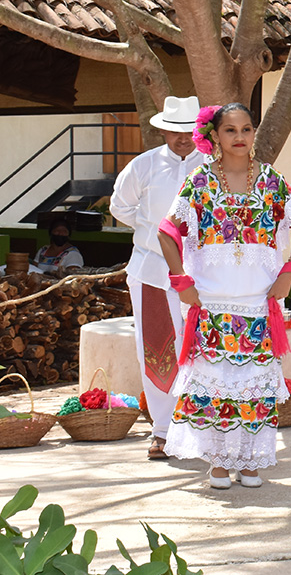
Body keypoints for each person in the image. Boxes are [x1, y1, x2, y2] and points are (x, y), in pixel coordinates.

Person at [158, 102, 291, 489]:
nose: (240, 137)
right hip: (211, 302)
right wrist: (182, 281)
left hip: (258, 301)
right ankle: (218, 462)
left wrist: (289, 274)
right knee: (217, 382)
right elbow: (167, 231)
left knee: (253, 383)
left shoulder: (272, 181)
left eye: (246, 129)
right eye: (230, 130)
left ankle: (249, 460)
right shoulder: (199, 181)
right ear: (214, 136)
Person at [110, 95, 208, 460]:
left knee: (204, 347)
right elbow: (120, 206)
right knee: (156, 349)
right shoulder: (144, 166)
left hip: (203, 273)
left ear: (199, 130)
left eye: (190, 131)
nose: (183, 138)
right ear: (164, 130)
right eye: (176, 131)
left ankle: (203, 428)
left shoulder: (213, 167)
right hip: (152, 269)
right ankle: (163, 431)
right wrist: (154, 232)